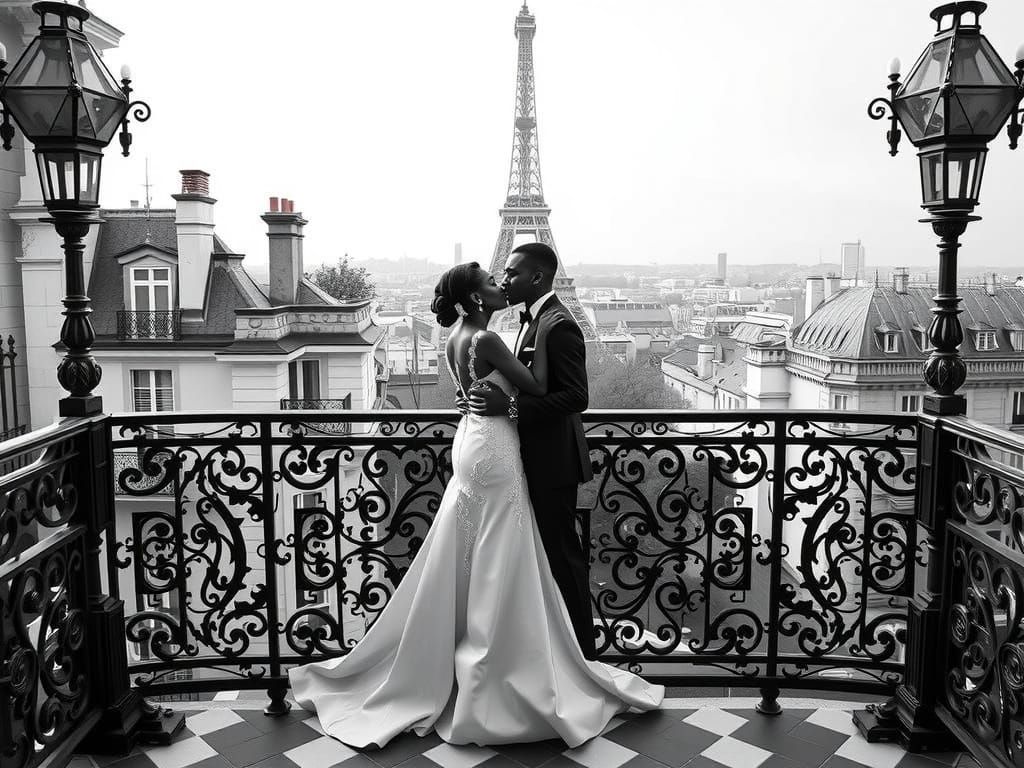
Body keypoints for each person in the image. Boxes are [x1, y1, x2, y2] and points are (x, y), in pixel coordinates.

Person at [288, 261, 663, 749]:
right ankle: (497, 664)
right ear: (476, 298)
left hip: (471, 442)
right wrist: (531, 364)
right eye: (491, 281)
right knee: (500, 553)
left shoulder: (457, 337)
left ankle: (474, 658)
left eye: (505, 275)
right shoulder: (489, 338)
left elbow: (487, 389)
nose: (500, 282)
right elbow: (536, 386)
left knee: (473, 551)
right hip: (494, 449)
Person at [468, 242, 596, 659]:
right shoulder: (534, 319)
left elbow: (576, 397)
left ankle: (585, 655)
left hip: (554, 462)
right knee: (546, 557)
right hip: (534, 457)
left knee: (563, 557)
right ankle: (558, 651)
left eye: (512, 273)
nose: (504, 279)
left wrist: (509, 408)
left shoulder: (558, 324)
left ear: (537, 277)